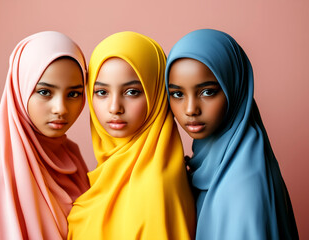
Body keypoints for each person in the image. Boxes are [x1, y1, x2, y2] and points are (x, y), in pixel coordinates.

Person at [0, 31, 90, 240]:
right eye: (45, 92)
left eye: (73, 94)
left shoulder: (72, 159)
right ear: (20, 89)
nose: (60, 108)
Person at [165, 29, 298, 239]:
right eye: (177, 94)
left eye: (208, 92)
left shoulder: (244, 184)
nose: (190, 109)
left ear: (234, 88)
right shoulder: (211, 161)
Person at [67, 31, 196, 240]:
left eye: (132, 92)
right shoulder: (100, 173)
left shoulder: (156, 190)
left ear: (157, 94)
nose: (114, 107)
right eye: (101, 92)